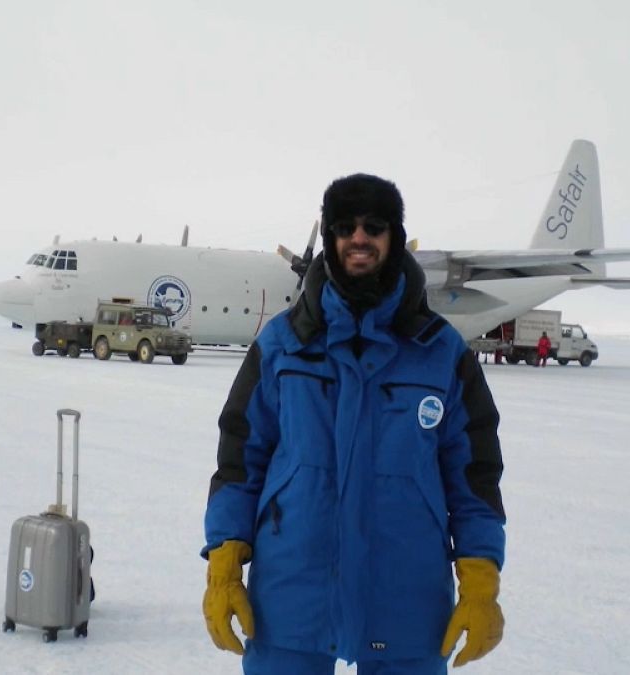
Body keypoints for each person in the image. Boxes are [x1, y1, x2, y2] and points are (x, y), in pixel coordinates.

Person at [202, 174, 506, 674]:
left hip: (407, 594)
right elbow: (239, 461)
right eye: (345, 227)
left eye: (374, 226)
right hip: (292, 592)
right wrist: (225, 561)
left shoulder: (442, 353)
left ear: (394, 236)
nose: (359, 237)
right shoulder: (282, 345)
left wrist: (480, 575)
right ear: (330, 239)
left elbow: (474, 477)